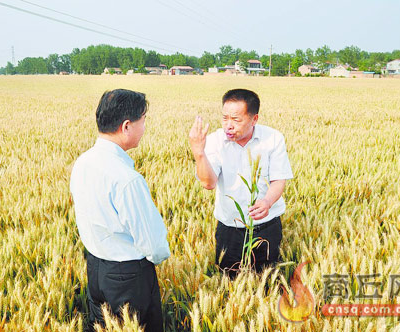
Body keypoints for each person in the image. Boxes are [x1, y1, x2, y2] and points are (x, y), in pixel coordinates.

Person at [70, 89, 170, 332]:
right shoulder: (127, 179)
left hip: (95, 268)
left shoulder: (83, 162)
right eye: (143, 121)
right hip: (128, 276)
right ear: (127, 126)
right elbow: (154, 246)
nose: (144, 128)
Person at [189, 88, 293, 278]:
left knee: (268, 278)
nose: (228, 125)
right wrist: (199, 153)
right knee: (229, 280)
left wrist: (267, 202)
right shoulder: (214, 141)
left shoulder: (273, 139)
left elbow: (279, 179)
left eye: (236, 120)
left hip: (266, 224)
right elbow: (208, 183)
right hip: (230, 226)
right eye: (225, 118)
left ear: (254, 119)